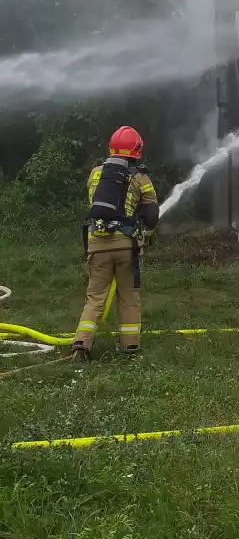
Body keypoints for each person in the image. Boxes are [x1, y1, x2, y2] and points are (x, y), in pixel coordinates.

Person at [72, 126, 159, 362]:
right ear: (137, 149)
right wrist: (147, 235)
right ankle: (130, 348)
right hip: (125, 247)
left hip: (97, 243)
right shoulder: (141, 178)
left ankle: (81, 345)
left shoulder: (95, 174)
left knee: (95, 297)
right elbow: (151, 215)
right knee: (128, 296)